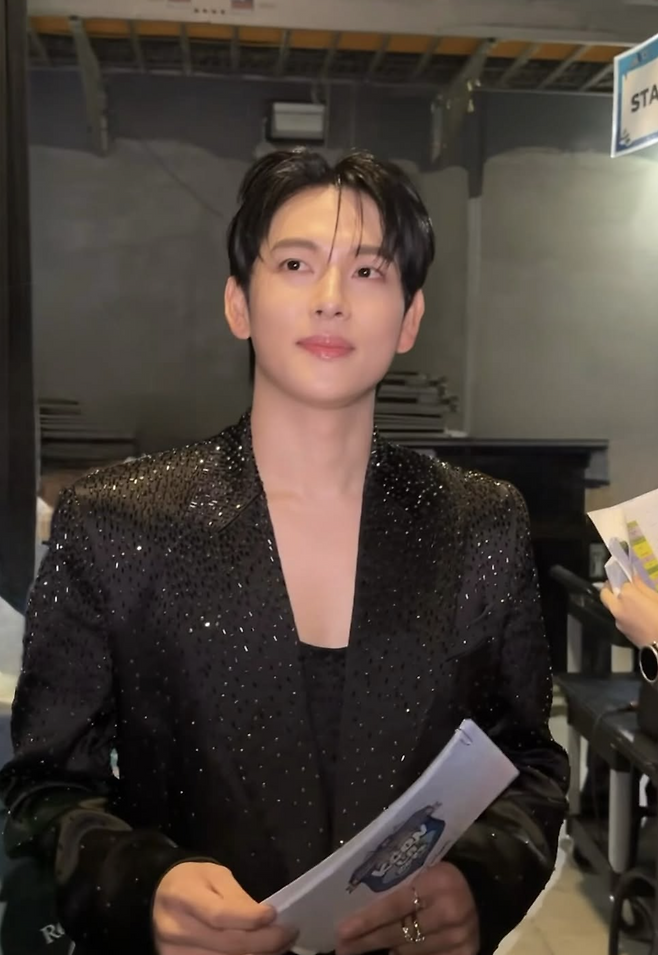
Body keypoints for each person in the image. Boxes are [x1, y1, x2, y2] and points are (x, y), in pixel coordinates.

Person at [0, 148, 568, 955]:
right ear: (239, 302)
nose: (331, 298)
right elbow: (45, 785)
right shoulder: (116, 523)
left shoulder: (480, 524)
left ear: (410, 317)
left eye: (368, 271)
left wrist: (483, 880)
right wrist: (142, 888)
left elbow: (529, 759)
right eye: (296, 264)